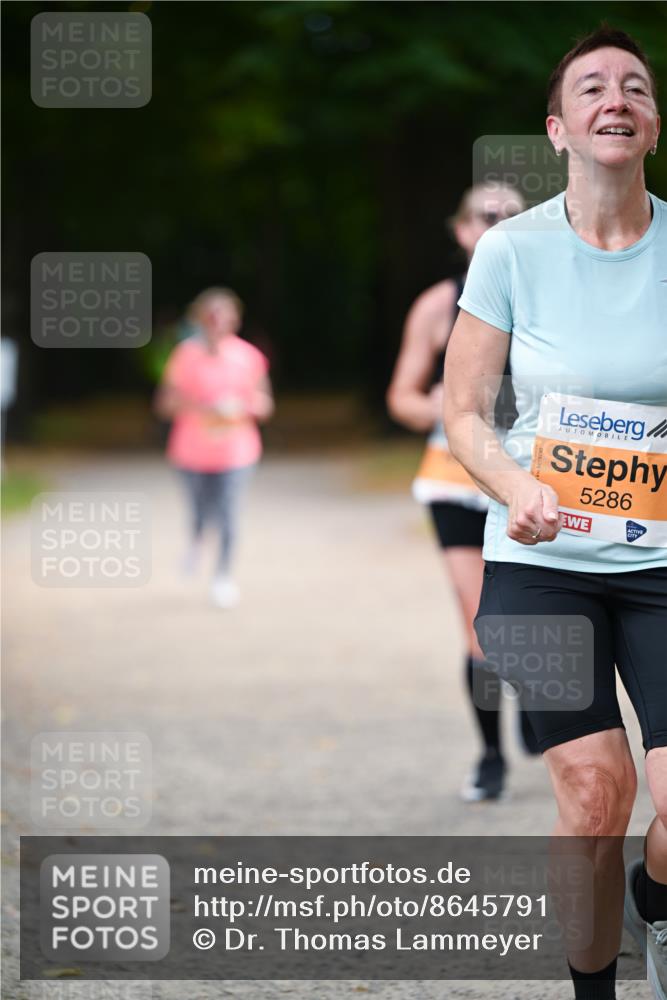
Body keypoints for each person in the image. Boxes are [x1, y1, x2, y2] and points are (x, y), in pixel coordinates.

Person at [443, 27, 666, 1000]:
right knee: (593, 793)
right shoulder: (510, 248)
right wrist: (514, 485)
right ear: (557, 127)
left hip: (661, 561)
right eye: (591, 87)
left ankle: (654, 907)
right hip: (539, 560)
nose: (614, 98)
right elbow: (461, 412)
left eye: (634, 86)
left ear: (651, 122)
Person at [387, 182, 538, 804]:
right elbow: (401, 397)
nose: (497, 222)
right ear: (461, 230)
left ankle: (535, 705)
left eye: (512, 215)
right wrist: (459, 410)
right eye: (486, 215)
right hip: (454, 480)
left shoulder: (547, 299)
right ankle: (491, 757)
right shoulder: (436, 306)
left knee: (532, 617)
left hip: (531, 478)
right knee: (482, 627)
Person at [155, 287, 274, 608]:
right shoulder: (185, 355)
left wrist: (241, 406)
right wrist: (200, 406)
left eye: (225, 315)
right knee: (199, 510)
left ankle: (223, 575)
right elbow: (165, 403)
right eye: (211, 315)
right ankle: (195, 541)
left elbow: (264, 405)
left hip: (236, 450)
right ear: (199, 318)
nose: (218, 322)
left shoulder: (248, 356)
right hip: (190, 450)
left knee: (229, 513)